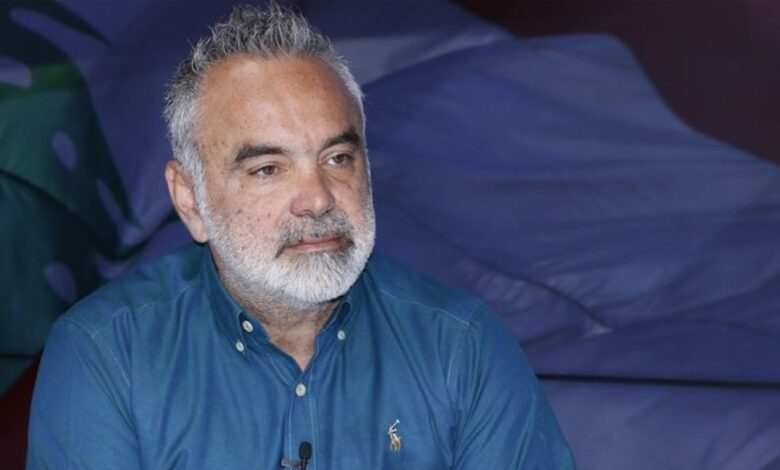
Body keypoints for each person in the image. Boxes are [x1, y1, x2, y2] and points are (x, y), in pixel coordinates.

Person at [27, 4, 575, 468]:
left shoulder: (462, 345)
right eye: (268, 168)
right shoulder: (107, 353)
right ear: (190, 200)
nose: (318, 198)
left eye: (337, 158)